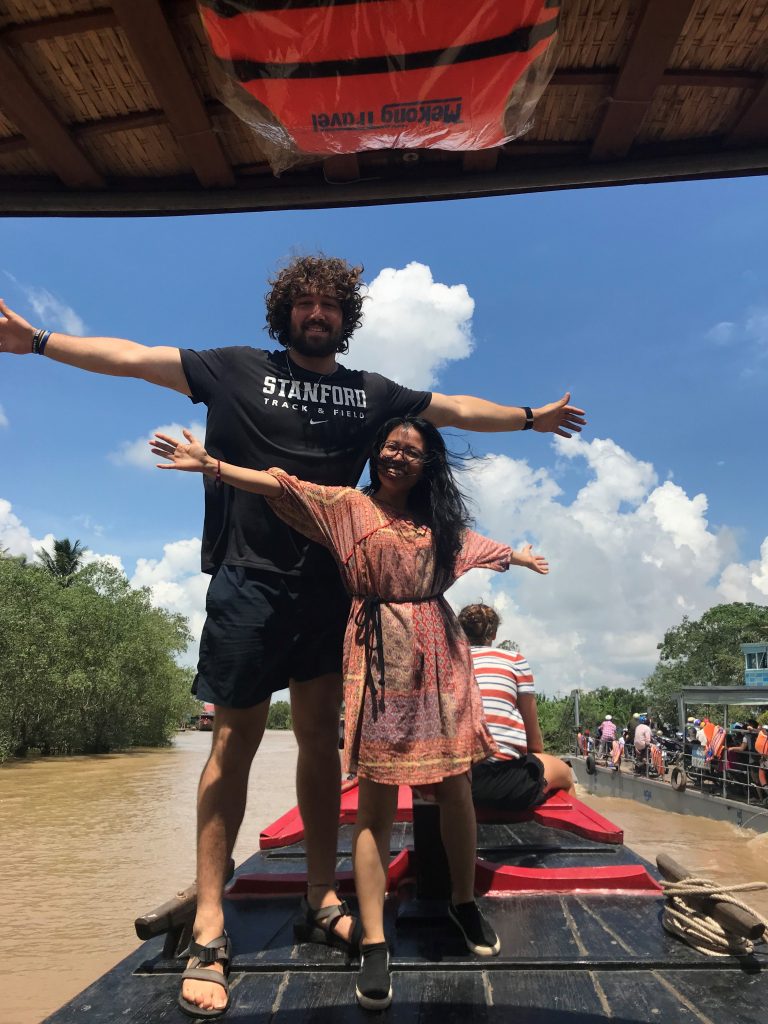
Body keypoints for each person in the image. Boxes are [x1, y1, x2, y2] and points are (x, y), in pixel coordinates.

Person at [0, 257, 586, 1018]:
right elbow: (136, 359)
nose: (317, 313)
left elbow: (454, 410)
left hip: (333, 594)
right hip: (248, 579)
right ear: (285, 313)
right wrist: (40, 341)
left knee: (317, 742)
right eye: (304, 303)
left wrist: (530, 419)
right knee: (233, 742)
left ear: (346, 316)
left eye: (330, 304)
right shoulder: (234, 367)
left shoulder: (370, 393)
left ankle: (319, 894)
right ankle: (211, 923)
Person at [150, 414, 550, 1010]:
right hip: (379, 653)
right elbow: (282, 485)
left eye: (412, 452)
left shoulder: (443, 525)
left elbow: (483, 548)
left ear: (428, 464)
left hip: (442, 655)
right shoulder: (348, 508)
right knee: (376, 800)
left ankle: (464, 905)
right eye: (390, 447)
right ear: (376, 453)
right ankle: (376, 941)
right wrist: (213, 467)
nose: (398, 457)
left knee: (456, 787)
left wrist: (518, 556)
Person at [456, 604, 575, 811]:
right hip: (506, 784)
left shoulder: (446, 661)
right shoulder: (514, 660)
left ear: (459, 631)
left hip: (453, 784)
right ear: (493, 633)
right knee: (565, 774)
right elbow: (534, 741)